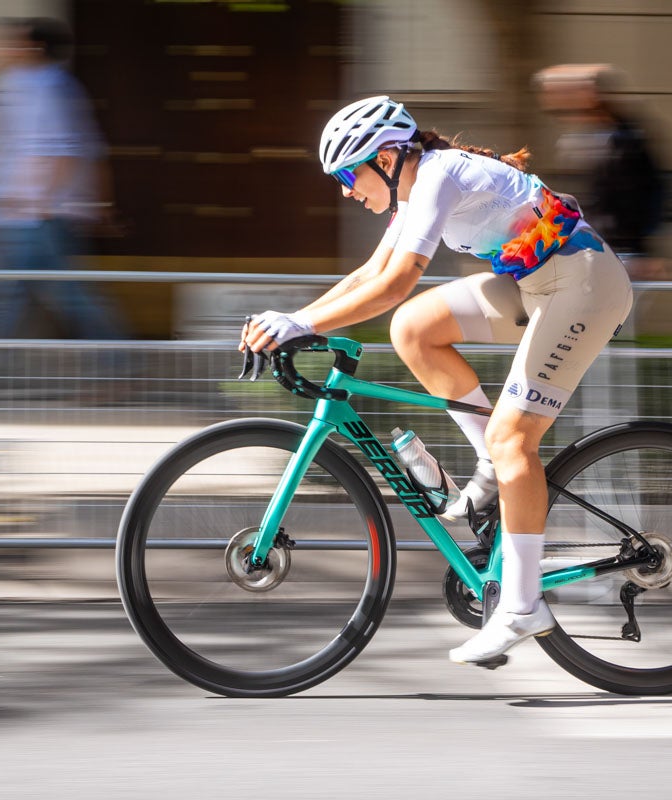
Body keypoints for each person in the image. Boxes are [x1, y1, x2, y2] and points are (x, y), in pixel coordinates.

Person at [240, 96, 633, 666]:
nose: (348, 190)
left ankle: (523, 607)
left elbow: (398, 278)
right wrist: (296, 320)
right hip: (537, 284)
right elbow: (369, 274)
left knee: (513, 437)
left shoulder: (438, 174)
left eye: (351, 173)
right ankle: (496, 470)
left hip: (584, 284)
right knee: (414, 328)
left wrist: (301, 323)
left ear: (391, 156)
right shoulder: (414, 187)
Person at [0, 16, 125, 340]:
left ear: (33, 47)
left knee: (7, 300)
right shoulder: (38, 84)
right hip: (27, 216)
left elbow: (61, 150)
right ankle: (121, 364)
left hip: (30, 218)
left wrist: (39, 205)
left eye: (11, 42)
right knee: (36, 297)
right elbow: (90, 151)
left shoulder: (42, 86)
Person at [534, 64, 668, 279]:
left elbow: (655, 193)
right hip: (586, 250)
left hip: (622, 254)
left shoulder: (628, 141)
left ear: (590, 95)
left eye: (563, 93)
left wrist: (643, 249)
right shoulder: (577, 141)